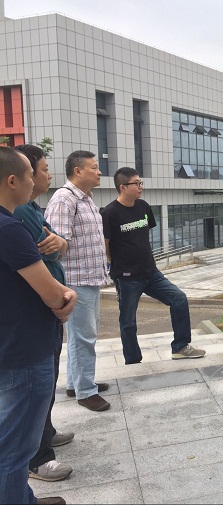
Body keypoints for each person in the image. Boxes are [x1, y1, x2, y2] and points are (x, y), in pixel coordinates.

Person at [0, 146, 77, 505]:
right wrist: (66, 297)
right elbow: (52, 294)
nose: (35, 181)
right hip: (25, 351)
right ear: (12, 181)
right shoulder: (9, 229)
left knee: (10, 439)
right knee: (17, 449)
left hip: (9, 346)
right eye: (31, 174)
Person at [101, 167, 205, 364]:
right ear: (123, 187)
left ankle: (180, 347)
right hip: (127, 277)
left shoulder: (143, 207)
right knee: (128, 321)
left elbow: (143, 238)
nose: (140, 186)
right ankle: (133, 360)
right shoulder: (110, 213)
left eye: (141, 182)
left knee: (179, 299)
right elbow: (105, 245)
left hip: (151, 273)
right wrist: (115, 268)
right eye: (136, 183)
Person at [45, 151, 110, 412]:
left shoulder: (86, 199)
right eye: (94, 167)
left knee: (81, 336)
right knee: (83, 337)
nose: (99, 172)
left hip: (90, 278)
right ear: (78, 171)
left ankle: (76, 383)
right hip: (75, 280)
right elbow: (56, 243)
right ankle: (86, 391)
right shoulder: (65, 199)